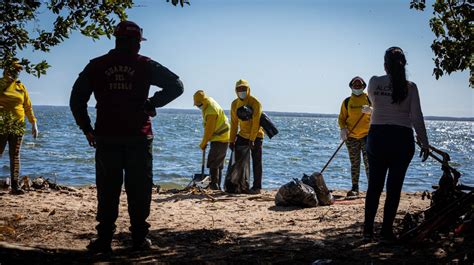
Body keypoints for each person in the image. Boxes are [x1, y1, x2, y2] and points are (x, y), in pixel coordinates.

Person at [70, 20, 183, 253]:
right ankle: (140, 239)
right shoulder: (145, 65)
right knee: (139, 189)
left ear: (117, 40)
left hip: (106, 136)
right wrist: (153, 103)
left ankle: (104, 240)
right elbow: (177, 85)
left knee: (107, 189)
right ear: (136, 43)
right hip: (139, 138)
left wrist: (87, 129)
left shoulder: (97, 65)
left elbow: (76, 98)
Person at [363, 47, 429, 242]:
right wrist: (424, 143)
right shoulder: (411, 87)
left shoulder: (374, 82)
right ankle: (386, 232)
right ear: (404, 64)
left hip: (378, 136)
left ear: (385, 65)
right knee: (394, 188)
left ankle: (367, 232)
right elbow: (417, 117)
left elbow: (375, 104)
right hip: (402, 138)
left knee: (374, 186)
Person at [0, 62, 39, 195]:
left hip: (18, 126)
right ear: (5, 70)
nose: (15, 73)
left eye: (17, 71)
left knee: (15, 155)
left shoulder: (20, 86)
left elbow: (27, 106)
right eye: (13, 70)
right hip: (2, 125)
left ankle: (15, 186)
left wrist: (34, 123)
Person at [229, 79, 264, 194]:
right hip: (242, 135)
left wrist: (252, 139)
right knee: (238, 161)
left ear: (248, 90)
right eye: (239, 89)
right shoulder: (234, 104)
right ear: (235, 91)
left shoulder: (255, 102)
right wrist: (231, 140)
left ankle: (257, 187)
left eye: (244, 89)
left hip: (256, 135)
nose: (241, 91)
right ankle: (240, 185)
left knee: (256, 161)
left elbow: (256, 122)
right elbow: (234, 124)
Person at [338, 76, 371, 197]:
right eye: (355, 85)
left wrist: (371, 110)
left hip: (367, 136)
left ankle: (372, 188)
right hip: (351, 137)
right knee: (355, 163)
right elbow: (342, 118)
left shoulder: (369, 99)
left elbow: (379, 113)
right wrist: (343, 129)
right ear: (351, 86)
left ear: (363, 86)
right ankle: (355, 188)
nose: (357, 87)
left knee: (369, 163)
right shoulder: (347, 101)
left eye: (359, 85)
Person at [193, 90, 230, 190]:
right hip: (223, 136)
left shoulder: (210, 111)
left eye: (197, 105)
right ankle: (217, 185)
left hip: (220, 137)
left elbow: (209, 131)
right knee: (218, 162)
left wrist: (203, 143)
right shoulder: (209, 102)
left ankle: (214, 185)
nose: (197, 107)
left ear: (202, 102)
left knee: (213, 161)